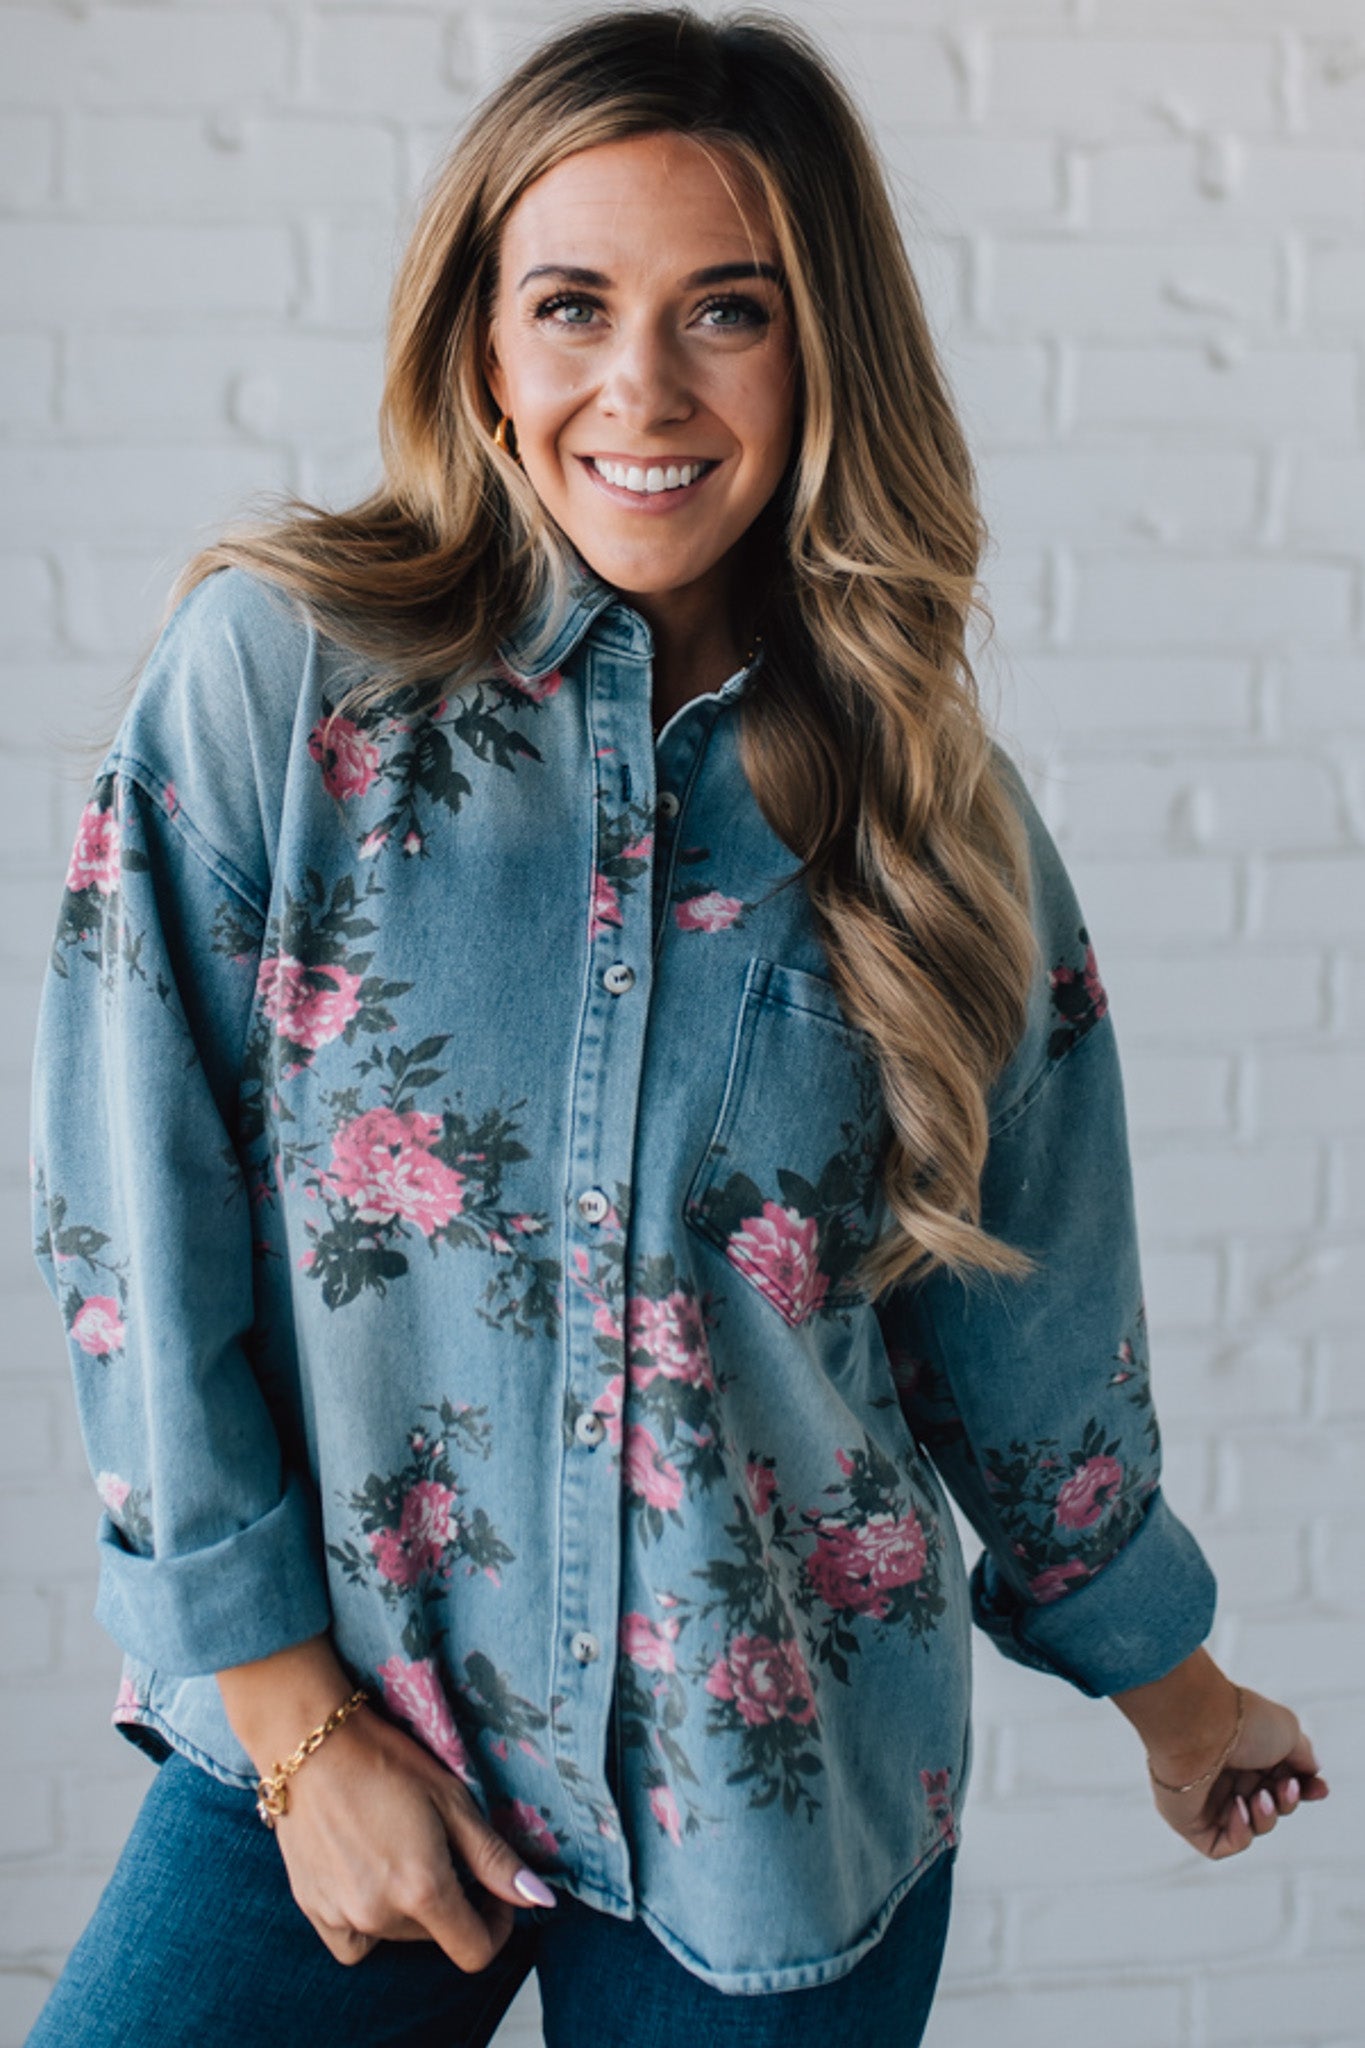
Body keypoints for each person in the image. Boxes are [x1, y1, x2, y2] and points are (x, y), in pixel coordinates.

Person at [25, 9, 1328, 2045]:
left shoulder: (930, 816)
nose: (639, 387)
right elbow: (129, 1219)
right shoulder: (280, 688)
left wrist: (1179, 1696)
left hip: (773, 1801)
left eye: (726, 310)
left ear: (821, 355)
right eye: (571, 305)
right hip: (344, 1736)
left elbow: (1024, 1326)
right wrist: (290, 1732)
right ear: (482, 344)